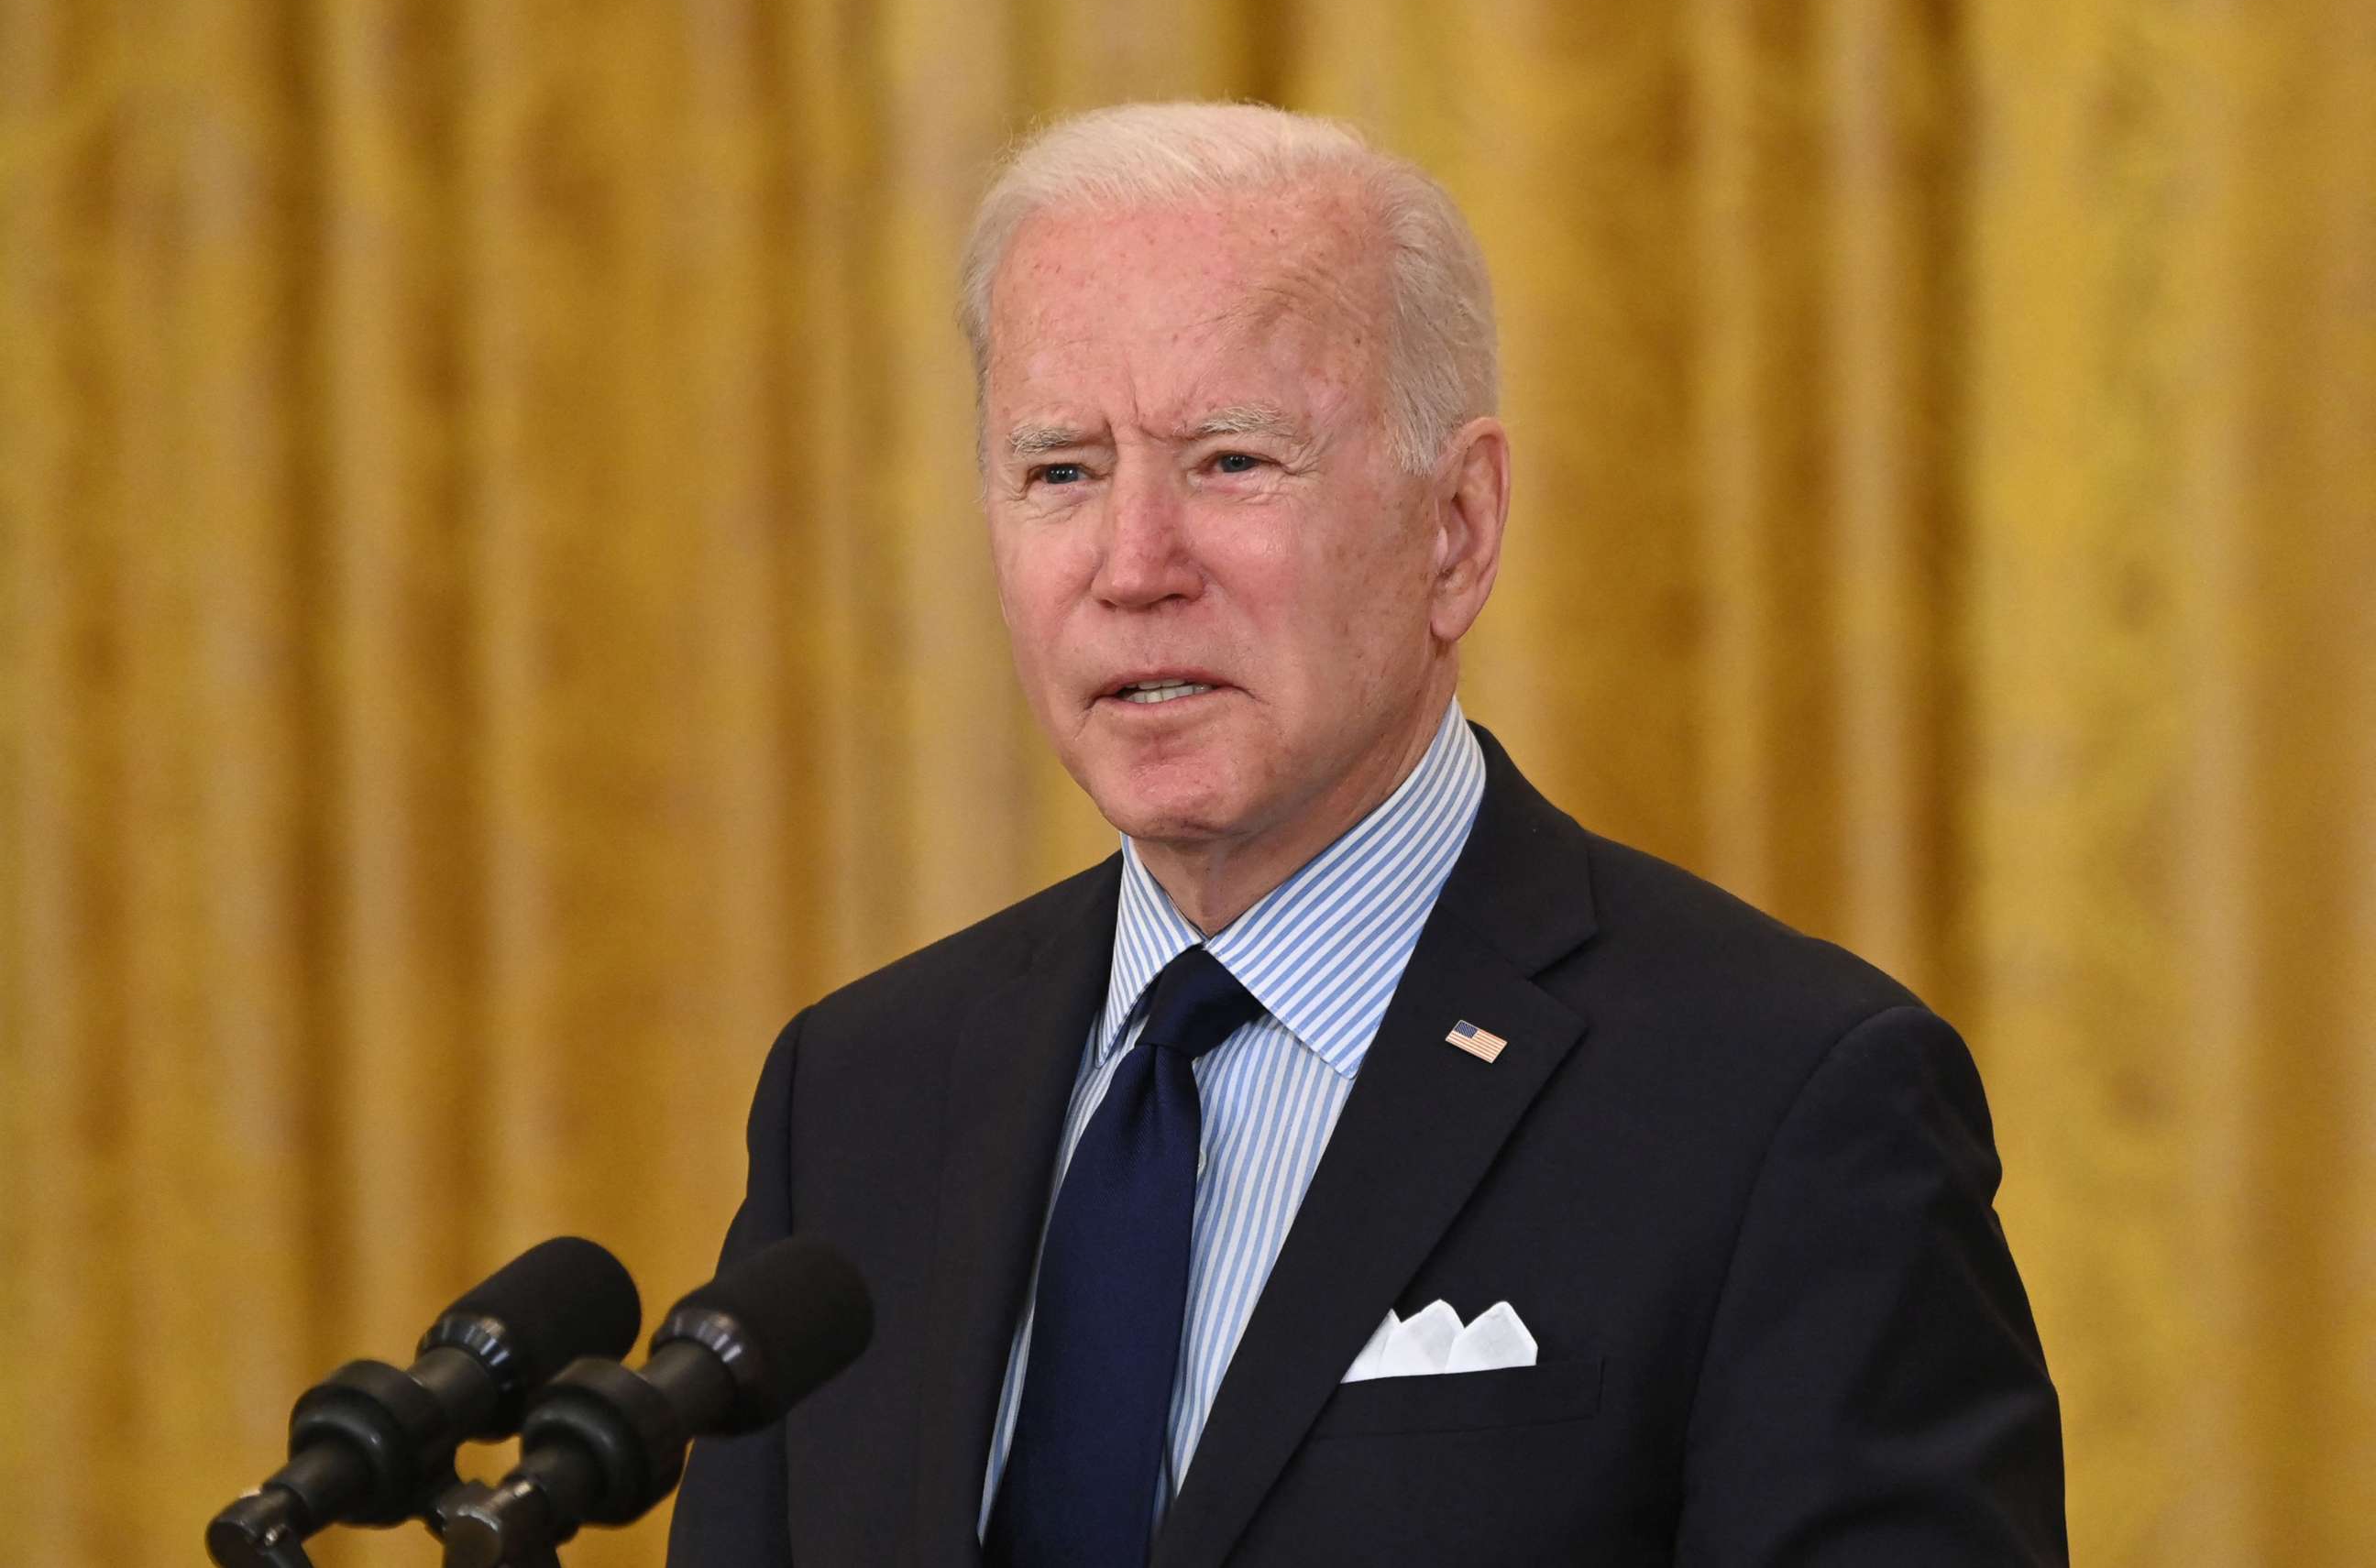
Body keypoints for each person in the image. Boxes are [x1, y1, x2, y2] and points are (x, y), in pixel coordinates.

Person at [667, 101, 2065, 1568]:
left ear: (1455, 528)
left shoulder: (1782, 1104)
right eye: (1062, 471)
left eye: (1232, 462)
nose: (1134, 567)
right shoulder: (860, 1096)